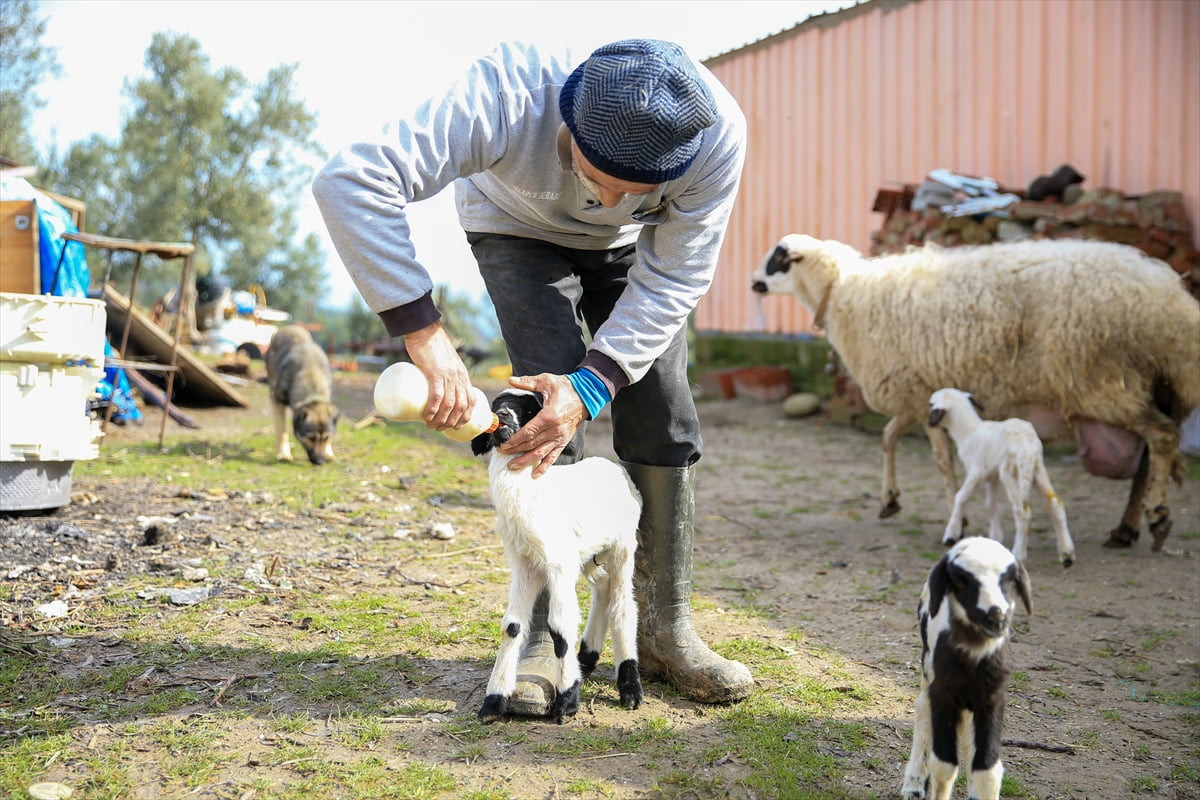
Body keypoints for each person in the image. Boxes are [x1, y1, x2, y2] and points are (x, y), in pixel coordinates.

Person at [313, 38, 753, 712]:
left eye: (634, 188)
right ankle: (550, 641)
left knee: (662, 405)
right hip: (514, 226)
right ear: (566, 124)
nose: (608, 200)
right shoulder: (505, 98)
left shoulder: (716, 135)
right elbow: (349, 181)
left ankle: (665, 630)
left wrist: (595, 382)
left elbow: (677, 276)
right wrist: (425, 339)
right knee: (545, 419)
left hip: (639, 253)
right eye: (599, 174)